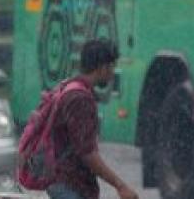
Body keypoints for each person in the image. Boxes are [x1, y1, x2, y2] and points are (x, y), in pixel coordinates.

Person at [48, 40, 138, 199]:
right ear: (103, 67)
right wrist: (120, 185)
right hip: (69, 185)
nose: (112, 73)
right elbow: (87, 153)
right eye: (112, 66)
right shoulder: (80, 99)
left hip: (62, 181)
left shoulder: (70, 87)